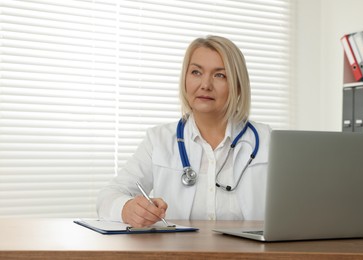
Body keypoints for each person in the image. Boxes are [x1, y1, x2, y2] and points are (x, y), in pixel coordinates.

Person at [97, 35, 271, 228]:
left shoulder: (269, 142)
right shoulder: (158, 140)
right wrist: (128, 208)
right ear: (185, 79)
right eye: (196, 72)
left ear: (238, 86)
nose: (205, 84)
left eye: (219, 75)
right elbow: (108, 195)